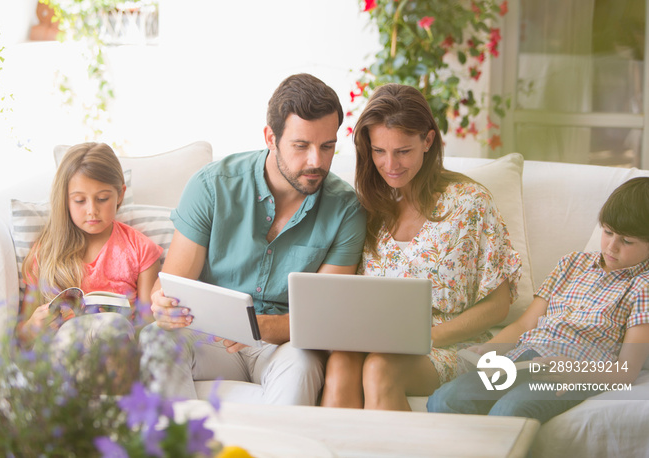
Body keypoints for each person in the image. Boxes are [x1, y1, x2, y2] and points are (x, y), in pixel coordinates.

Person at [139, 73, 367, 405]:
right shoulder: (212, 187)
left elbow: (323, 315)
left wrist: (265, 327)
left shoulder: (346, 209)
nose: (317, 161)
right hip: (209, 337)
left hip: (283, 346)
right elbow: (173, 285)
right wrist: (163, 305)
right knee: (157, 340)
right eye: (301, 146)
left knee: (302, 366)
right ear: (270, 138)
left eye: (327, 146)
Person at [320, 83, 522, 411]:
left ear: (427, 141)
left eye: (403, 151)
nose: (390, 165)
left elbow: (499, 306)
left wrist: (426, 337)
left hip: (450, 344)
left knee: (379, 368)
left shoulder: (470, 203)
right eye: (379, 151)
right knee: (341, 362)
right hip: (380, 340)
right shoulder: (370, 206)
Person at [427, 177, 649, 424]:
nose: (612, 247)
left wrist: (576, 373)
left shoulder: (643, 286)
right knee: (444, 399)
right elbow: (523, 326)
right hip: (523, 360)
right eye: (607, 232)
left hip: (572, 373)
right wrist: (490, 350)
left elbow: (626, 371)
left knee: (510, 411)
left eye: (627, 241)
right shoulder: (572, 264)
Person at [16, 143, 162, 388]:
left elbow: (149, 323)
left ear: (120, 195)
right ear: (66, 199)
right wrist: (33, 327)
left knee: (114, 327)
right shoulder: (47, 252)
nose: (92, 210)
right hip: (65, 351)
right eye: (80, 200)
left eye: (102, 199)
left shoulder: (140, 249)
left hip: (119, 353)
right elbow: (22, 335)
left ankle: (104, 406)